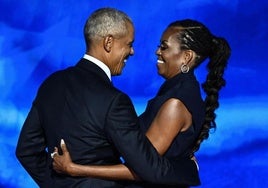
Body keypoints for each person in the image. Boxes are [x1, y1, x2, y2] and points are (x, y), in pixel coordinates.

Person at [15, 8, 200, 188]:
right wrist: (187, 169)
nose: (132, 52)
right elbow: (149, 169)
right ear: (109, 43)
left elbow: (26, 151)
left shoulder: (51, 84)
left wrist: (57, 184)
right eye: (129, 44)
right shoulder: (115, 101)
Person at [52, 19, 231, 187]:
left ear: (186, 57)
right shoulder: (178, 92)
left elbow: (144, 169)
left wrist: (73, 169)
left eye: (164, 47)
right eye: (159, 46)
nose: (157, 52)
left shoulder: (175, 103)